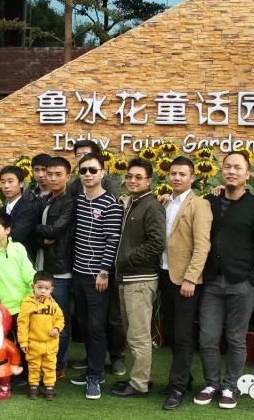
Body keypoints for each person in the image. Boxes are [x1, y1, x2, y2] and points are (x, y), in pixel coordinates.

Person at [196, 151, 254, 410]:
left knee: (236, 338)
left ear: (247, 174)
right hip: (212, 282)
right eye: (227, 166)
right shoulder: (210, 202)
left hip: (242, 284)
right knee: (207, 337)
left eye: (237, 167)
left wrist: (253, 280)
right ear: (222, 170)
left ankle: (230, 387)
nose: (232, 171)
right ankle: (212, 384)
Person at [158, 156, 212, 410]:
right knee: (170, 331)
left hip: (185, 281)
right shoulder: (166, 202)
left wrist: (191, 277)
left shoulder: (200, 205)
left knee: (182, 335)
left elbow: (202, 246)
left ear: (192, 177)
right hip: (164, 275)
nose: (177, 177)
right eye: (173, 173)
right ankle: (185, 378)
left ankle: (177, 387)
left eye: (182, 174)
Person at [68, 140, 126, 377]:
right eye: (83, 170)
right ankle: (92, 368)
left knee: (96, 326)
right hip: (78, 273)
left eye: (93, 170)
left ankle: (96, 374)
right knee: (84, 323)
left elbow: (112, 241)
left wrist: (103, 272)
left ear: (102, 172)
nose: (88, 174)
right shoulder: (79, 200)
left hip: (97, 277)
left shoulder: (110, 204)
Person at [110, 158, 166, 398]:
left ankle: (140, 384)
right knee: (132, 332)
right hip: (127, 278)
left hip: (141, 279)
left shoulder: (151, 206)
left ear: (149, 181)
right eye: (130, 176)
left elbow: (157, 242)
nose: (132, 180)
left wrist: (129, 258)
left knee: (138, 335)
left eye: (138, 177)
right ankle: (142, 378)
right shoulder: (131, 203)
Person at [0, 210, 35, 386]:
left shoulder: (18, 248)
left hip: (27, 302)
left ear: (8, 230)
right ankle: (13, 372)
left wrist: (37, 287)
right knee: (12, 340)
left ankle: (32, 374)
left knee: (29, 339)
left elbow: (28, 270)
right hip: (8, 307)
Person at [33, 156, 76, 379]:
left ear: (68, 176)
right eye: (49, 174)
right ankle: (42, 361)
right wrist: (42, 235)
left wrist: (41, 231)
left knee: (59, 319)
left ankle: (59, 365)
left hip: (60, 270)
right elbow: (41, 232)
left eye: (58, 174)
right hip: (42, 266)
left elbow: (56, 231)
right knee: (41, 318)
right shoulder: (46, 199)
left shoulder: (70, 202)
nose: (52, 178)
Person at [17, 271, 65, 400]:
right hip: (33, 343)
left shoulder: (54, 305)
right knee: (33, 366)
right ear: (33, 287)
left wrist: (57, 328)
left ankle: (50, 386)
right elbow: (22, 324)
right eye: (39, 287)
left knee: (50, 366)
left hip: (50, 344)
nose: (43, 291)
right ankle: (33, 385)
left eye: (46, 288)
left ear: (51, 290)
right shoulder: (27, 304)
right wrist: (23, 341)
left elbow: (60, 319)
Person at [0, 165, 40, 263]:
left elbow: (16, 236)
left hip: (22, 261)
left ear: (21, 183)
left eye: (10, 181)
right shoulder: (2, 211)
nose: (6, 186)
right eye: (3, 182)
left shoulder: (29, 208)